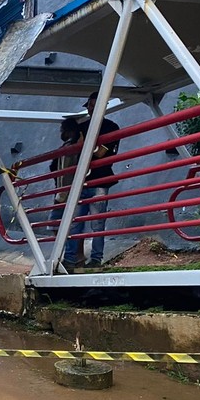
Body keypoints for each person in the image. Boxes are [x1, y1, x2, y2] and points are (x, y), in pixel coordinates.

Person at [63, 92, 120, 268]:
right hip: (83, 179)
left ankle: (95, 259)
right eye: (90, 105)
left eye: (95, 105)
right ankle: (71, 258)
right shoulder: (84, 126)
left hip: (98, 179)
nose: (91, 108)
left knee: (97, 222)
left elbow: (98, 153)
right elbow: (72, 148)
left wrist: (83, 146)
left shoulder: (111, 127)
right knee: (75, 223)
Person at [49, 117, 85, 263]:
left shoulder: (71, 147)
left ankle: (72, 254)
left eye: (62, 130)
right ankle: (76, 254)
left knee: (58, 222)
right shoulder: (69, 145)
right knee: (73, 223)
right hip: (65, 188)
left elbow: (66, 171)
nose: (61, 133)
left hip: (66, 189)